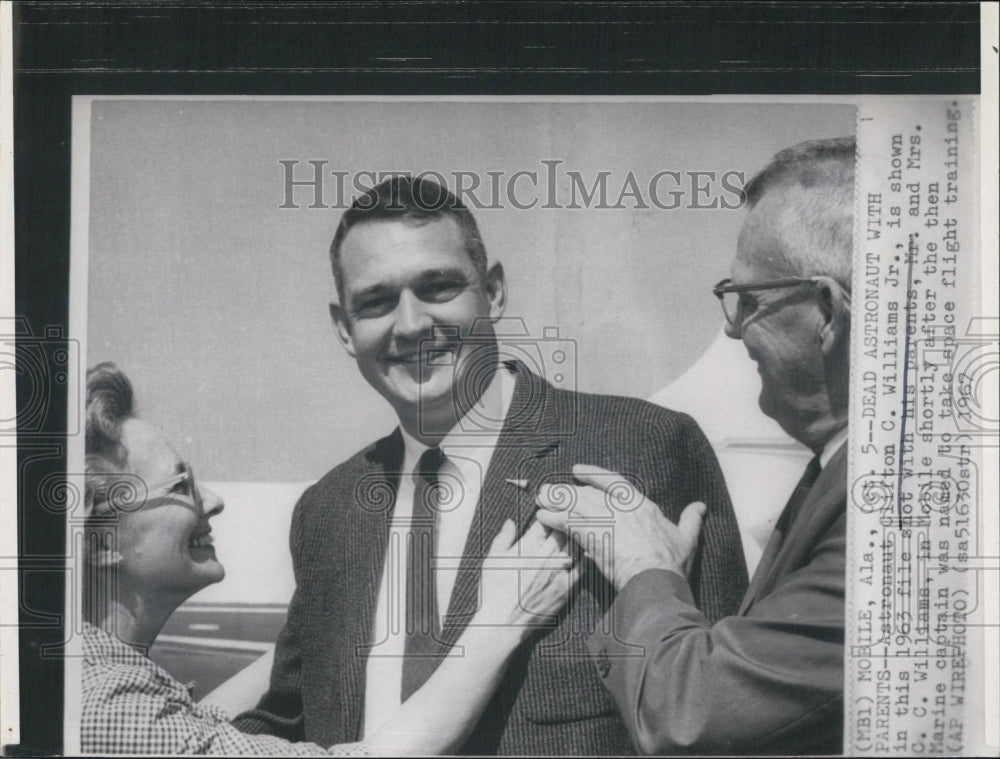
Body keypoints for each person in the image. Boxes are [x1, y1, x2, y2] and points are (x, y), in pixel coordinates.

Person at [232, 176, 748, 754]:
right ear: (344, 329)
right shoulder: (327, 510)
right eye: (376, 301)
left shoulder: (641, 446)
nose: (410, 324)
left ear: (495, 291)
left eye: (438, 287)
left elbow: (722, 716)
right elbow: (287, 723)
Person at [536, 136, 854, 755]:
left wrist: (643, 567)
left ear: (826, 311)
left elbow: (692, 714)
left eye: (749, 301)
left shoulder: (894, 503)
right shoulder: (844, 472)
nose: (732, 331)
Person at [80, 362, 578, 755]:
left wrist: (329, 607)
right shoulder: (106, 702)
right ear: (102, 543)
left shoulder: (87, 677)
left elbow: (201, 724)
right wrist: (502, 621)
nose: (210, 499)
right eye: (181, 485)